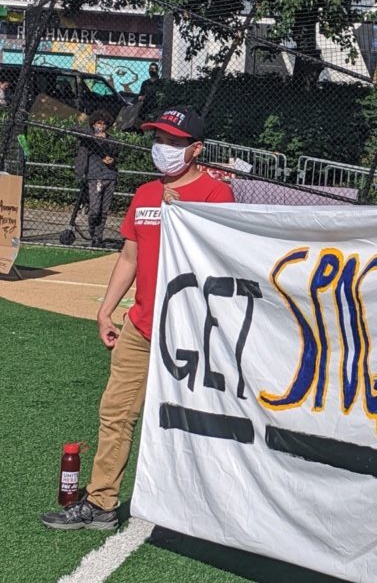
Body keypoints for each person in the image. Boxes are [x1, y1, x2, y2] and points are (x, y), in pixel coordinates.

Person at [41, 105, 234, 530]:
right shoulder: (146, 193)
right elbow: (130, 255)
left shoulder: (215, 194)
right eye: (158, 139)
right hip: (142, 324)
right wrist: (107, 308)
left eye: (173, 141)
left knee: (191, 420)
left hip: (191, 333)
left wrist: (183, 212)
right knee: (115, 412)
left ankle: (208, 510)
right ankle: (101, 502)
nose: (162, 148)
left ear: (195, 149)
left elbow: (223, 258)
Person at [74, 109, 120, 247]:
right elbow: (73, 129)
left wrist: (112, 160)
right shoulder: (88, 138)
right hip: (94, 177)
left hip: (110, 176)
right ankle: (93, 232)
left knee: (104, 211)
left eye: (104, 124)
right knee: (95, 210)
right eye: (98, 123)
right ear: (93, 124)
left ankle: (97, 238)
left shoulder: (111, 140)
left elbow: (116, 155)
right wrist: (93, 134)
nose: (101, 126)